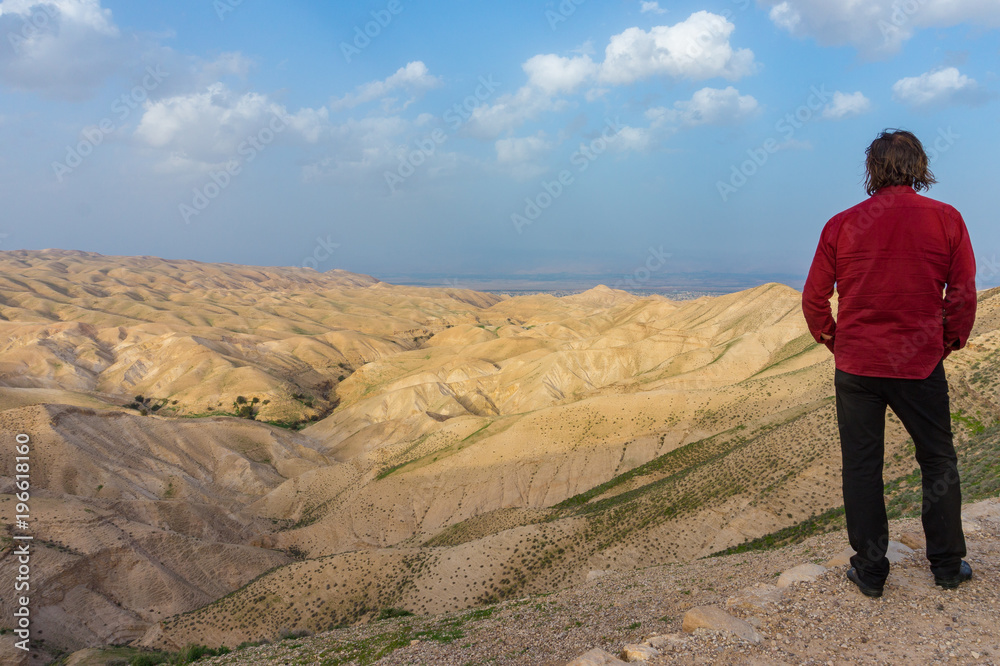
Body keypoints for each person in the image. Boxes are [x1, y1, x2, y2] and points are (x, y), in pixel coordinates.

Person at [802, 129, 977, 598]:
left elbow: (815, 298)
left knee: (861, 466)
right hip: (919, 365)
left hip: (857, 366)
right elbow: (961, 294)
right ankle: (945, 565)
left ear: (872, 169)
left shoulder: (841, 224)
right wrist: (948, 342)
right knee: (938, 460)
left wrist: (836, 342)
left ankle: (871, 572)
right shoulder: (947, 219)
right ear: (919, 166)